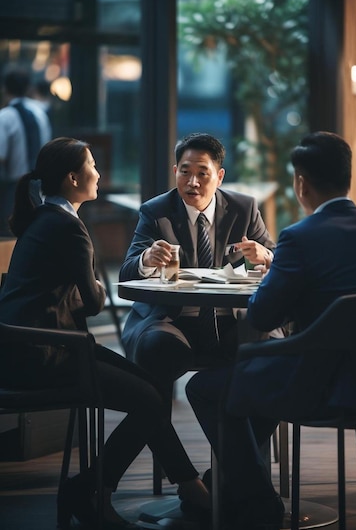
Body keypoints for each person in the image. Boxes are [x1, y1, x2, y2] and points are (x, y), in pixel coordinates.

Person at [185, 131, 356, 530]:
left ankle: (256, 502)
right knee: (248, 384)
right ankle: (226, 488)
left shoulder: (300, 238)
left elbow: (263, 316)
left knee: (205, 388)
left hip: (320, 387)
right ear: (346, 177)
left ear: (300, 183)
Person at [0, 137, 210, 530]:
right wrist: (92, 287)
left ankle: (188, 484)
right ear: (73, 177)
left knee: (151, 387)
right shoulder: (67, 227)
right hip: (46, 356)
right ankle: (94, 489)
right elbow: (95, 300)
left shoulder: (45, 219)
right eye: (92, 165)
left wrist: (85, 289)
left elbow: (68, 293)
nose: (99, 172)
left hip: (38, 347)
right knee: (149, 400)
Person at [119, 132, 276, 404]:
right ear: (175, 171)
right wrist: (146, 259)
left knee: (269, 346)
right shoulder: (156, 211)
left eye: (203, 174)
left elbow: (277, 259)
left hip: (231, 320)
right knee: (156, 348)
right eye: (185, 172)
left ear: (220, 176)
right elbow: (127, 271)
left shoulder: (244, 208)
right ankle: (162, 440)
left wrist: (265, 255)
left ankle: (247, 444)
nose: (192, 182)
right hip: (173, 320)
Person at [0, 66, 52, 236]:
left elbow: (1, 156)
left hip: (13, 188)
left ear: (5, 89)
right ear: (29, 88)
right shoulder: (40, 114)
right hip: (41, 186)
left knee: (11, 236)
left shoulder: (5, 116)